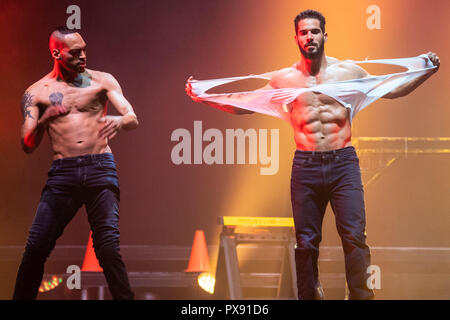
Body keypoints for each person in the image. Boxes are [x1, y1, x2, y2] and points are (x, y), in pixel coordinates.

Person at [186, 10, 440, 300]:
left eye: (315, 31)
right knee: (306, 243)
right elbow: (245, 104)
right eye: (304, 32)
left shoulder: (348, 72)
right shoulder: (285, 79)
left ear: (324, 35)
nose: (310, 37)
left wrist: (426, 72)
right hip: (306, 165)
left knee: (354, 237)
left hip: (343, 163)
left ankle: (361, 296)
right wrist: (205, 97)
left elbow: (392, 90)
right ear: (296, 38)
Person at [14, 26, 138, 300]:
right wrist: (44, 120)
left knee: (107, 249)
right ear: (57, 53)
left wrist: (120, 120)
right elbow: (27, 144)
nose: (83, 56)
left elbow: (132, 117)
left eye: (84, 49)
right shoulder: (37, 92)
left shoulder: (102, 80)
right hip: (63, 174)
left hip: (100, 168)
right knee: (35, 248)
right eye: (75, 52)